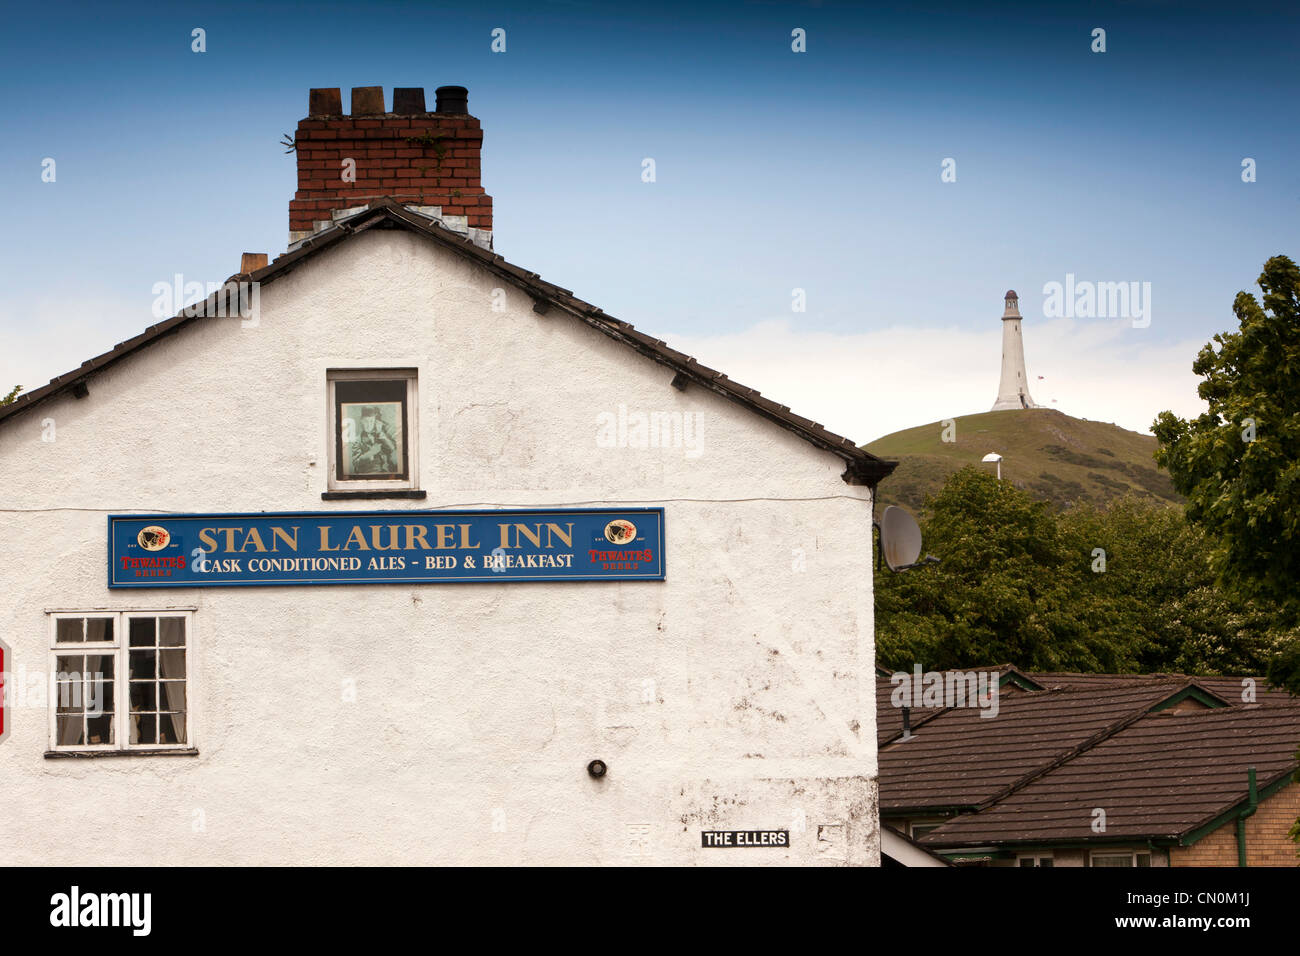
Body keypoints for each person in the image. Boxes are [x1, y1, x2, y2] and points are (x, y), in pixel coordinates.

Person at [350, 406, 398, 474]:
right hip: (368, 473)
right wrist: (371, 452)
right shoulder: (357, 440)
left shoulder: (380, 435)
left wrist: (381, 434)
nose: (369, 425)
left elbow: (392, 448)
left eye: (372, 421)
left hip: (385, 471)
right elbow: (355, 462)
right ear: (361, 421)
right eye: (366, 421)